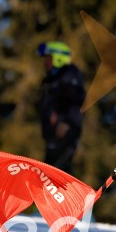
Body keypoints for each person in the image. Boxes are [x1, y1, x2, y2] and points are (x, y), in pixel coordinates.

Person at [37, 41, 85, 174]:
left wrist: (66, 123)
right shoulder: (50, 81)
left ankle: (74, 194)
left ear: (58, 58)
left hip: (65, 131)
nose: (45, 62)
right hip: (53, 136)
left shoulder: (69, 75)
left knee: (57, 172)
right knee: (51, 172)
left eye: (48, 58)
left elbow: (75, 102)